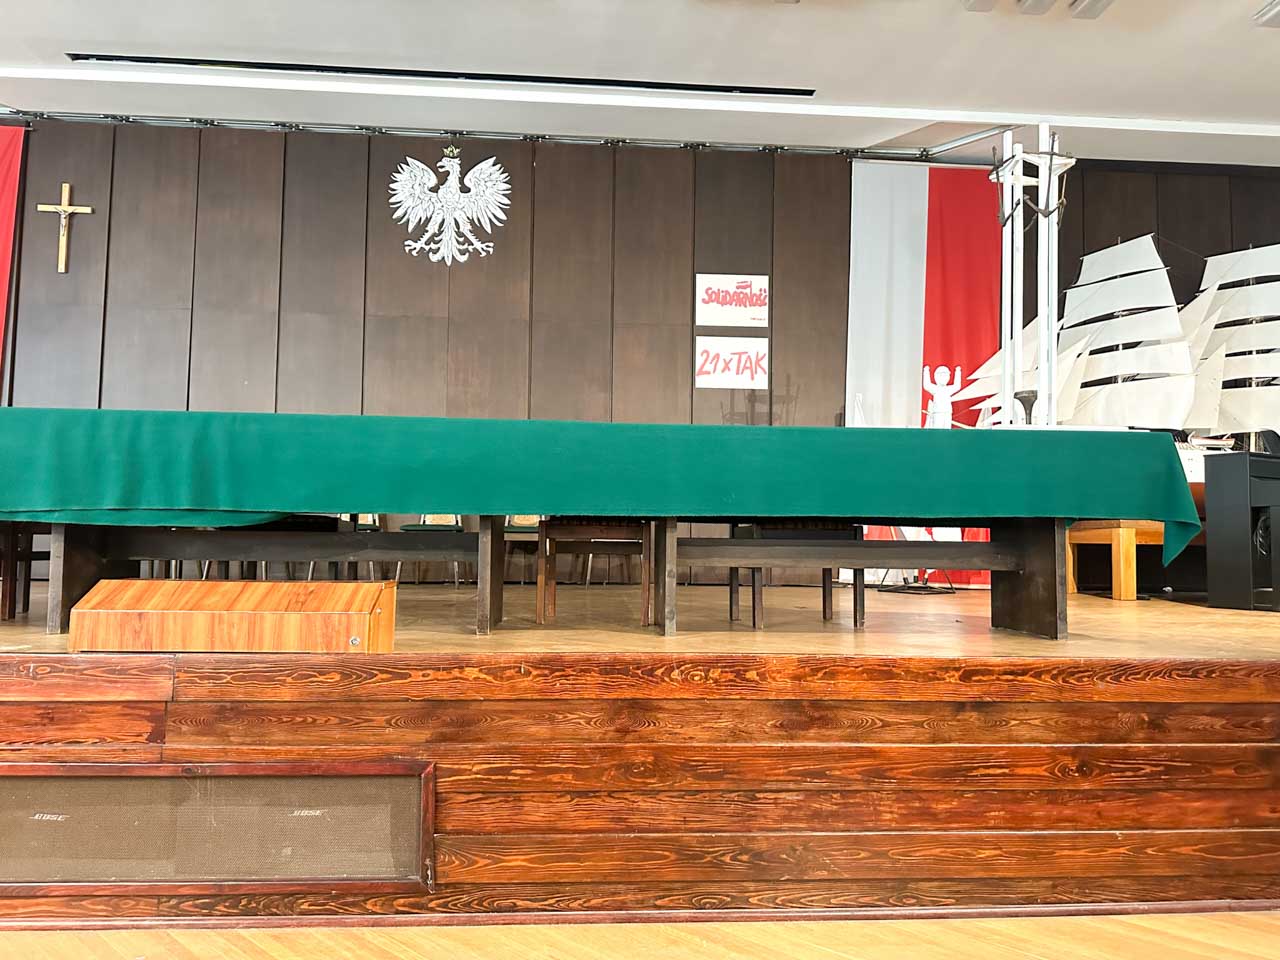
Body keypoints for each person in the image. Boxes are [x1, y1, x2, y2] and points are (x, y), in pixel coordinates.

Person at [923, 365, 963, 429]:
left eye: (945, 375)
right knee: (937, 429)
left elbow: (957, 386)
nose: (943, 377)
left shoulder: (948, 389)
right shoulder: (935, 388)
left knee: (947, 429)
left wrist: (958, 372)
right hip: (937, 412)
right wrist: (926, 371)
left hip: (947, 412)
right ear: (936, 376)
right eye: (941, 375)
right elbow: (926, 385)